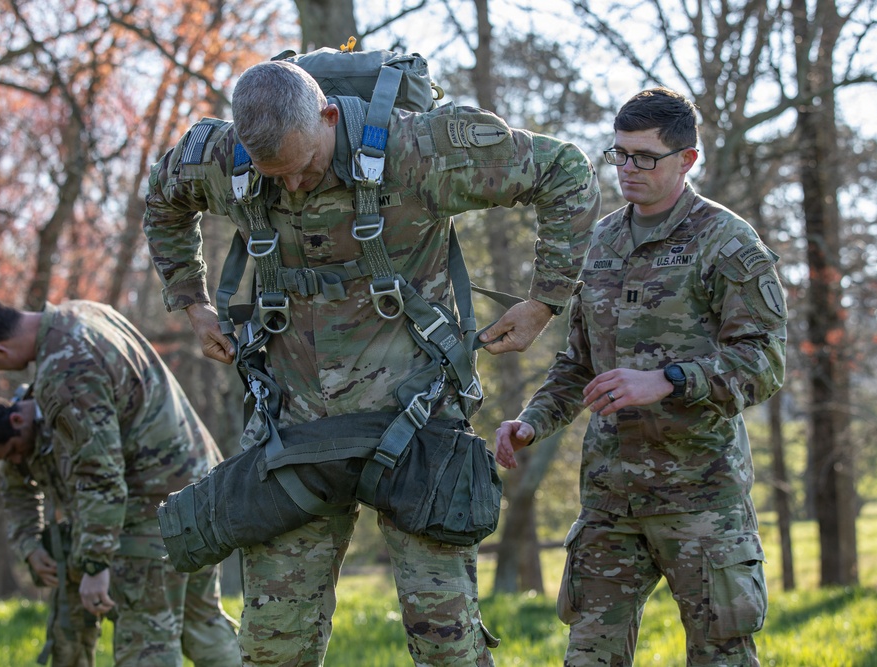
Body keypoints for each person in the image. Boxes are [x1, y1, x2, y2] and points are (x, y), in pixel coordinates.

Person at [143, 58, 601, 666]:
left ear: (328, 114)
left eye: (303, 166)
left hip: (414, 424)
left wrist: (546, 300)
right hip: (291, 429)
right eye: (273, 175)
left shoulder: (420, 149)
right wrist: (192, 303)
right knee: (273, 648)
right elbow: (163, 200)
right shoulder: (222, 159)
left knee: (448, 647)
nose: (295, 186)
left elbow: (565, 171)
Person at [495, 86, 787, 666]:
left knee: (721, 656)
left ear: (687, 159)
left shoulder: (726, 242)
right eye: (620, 154)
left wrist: (669, 381)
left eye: (645, 157)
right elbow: (578, 363)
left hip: (698, 499)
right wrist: (531, 423)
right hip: (610, 500)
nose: (628, 169)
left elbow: (765, 362)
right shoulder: (598, 242)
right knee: (588, 657)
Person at [0, 297, 241, 667]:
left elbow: (99, 474)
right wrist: (29, 543)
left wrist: (95, 566)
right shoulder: (82, 313)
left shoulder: (65, 366)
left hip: (153, 512)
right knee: (201, 624)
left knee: (146, 642)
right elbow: (26, 483)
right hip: (200, 491)